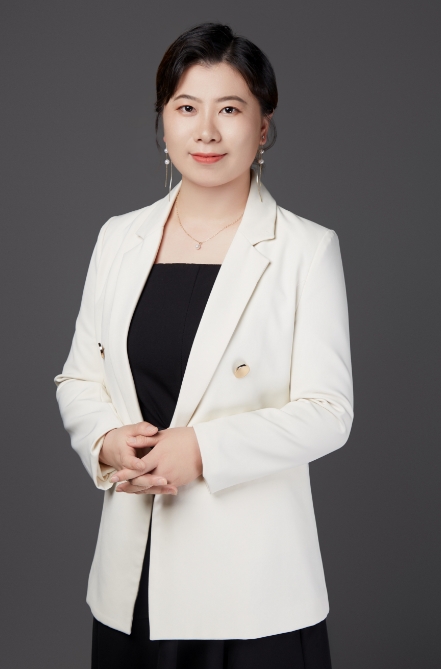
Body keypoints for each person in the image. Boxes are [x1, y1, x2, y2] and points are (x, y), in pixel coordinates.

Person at [54, 21, 353, 669]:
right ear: (163, 123)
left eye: (230, 109)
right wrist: (105, 441)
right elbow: (80, 378)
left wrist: (202, 450)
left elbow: (328, 412)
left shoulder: (305, 249)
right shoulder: (119, 238)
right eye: (186, 108)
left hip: (252, 590)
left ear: (263, 126)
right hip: (134, 579)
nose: (206, 131)